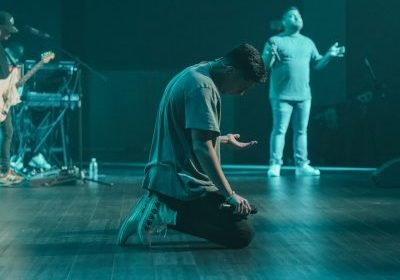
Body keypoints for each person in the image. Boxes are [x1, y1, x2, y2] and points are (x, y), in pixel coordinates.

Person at [117, 43, 267, 248]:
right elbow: (202, 148)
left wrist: (221, 139)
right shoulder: (203, 88)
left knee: (244, 210)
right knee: (242, 234)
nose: (241, 93)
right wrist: (230, 195)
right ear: (231, 71)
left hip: (166, 178)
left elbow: (189, 135)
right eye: (244, 85)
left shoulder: (196, 72)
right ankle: (167, 213)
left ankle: (160, 206)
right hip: (180, 183)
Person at [262, 6, 345, 177]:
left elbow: (318, 64)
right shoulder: (275, 41)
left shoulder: (308, 42)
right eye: (291, 16)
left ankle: (301, 165)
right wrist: (270, 55)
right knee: (280, 129)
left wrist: (329, 54)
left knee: (301, 131)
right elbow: (265, 66)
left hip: (304, 96)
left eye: (298, 16)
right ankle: (275, 164)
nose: (296, 18)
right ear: (284, 22)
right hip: (281, 95)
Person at [0, 11, 23, 186]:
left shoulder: (2, 49)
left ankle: (4, 170)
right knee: (7, 132)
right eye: (6, 30)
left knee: (8, 131)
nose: (8, 34)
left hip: (2, 97)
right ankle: (4, 171)